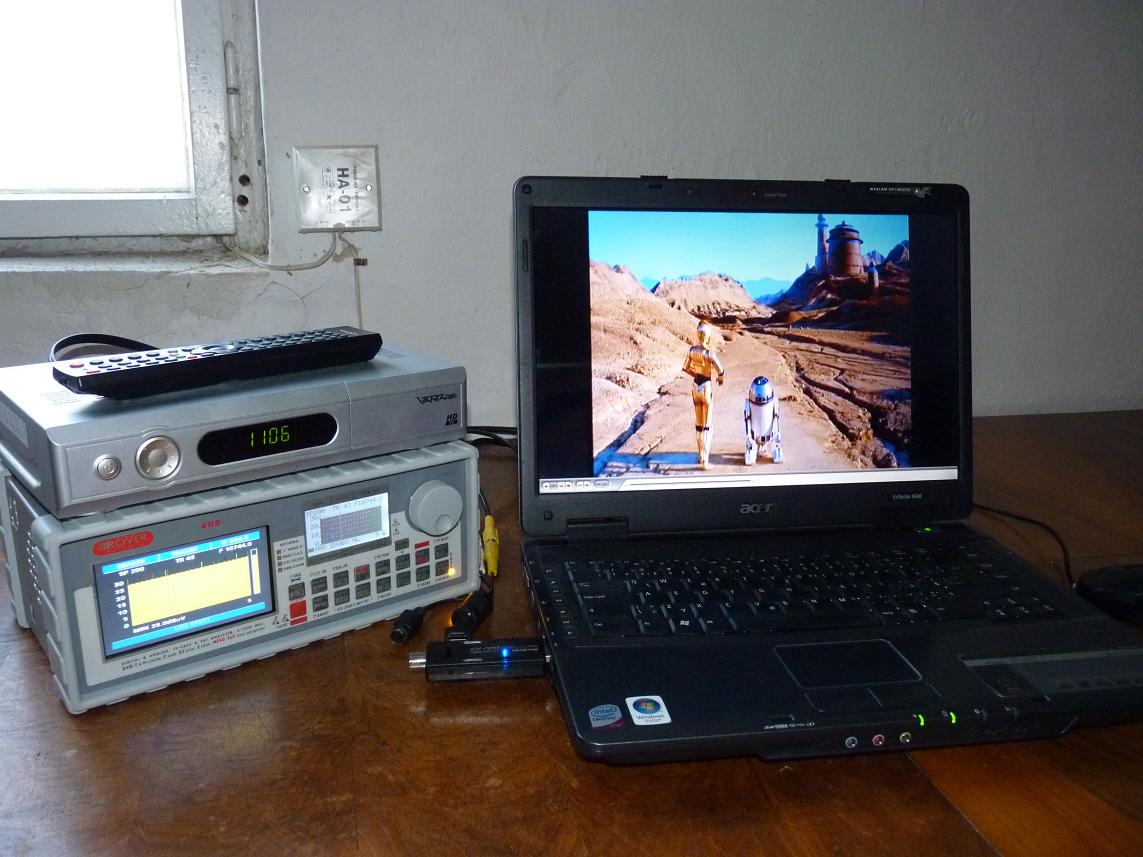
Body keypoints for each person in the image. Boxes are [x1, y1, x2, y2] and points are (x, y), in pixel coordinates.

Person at [681, 320, 725, 469]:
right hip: (706, 387)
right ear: (708, 335)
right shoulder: (710, 353)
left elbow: (685, 368)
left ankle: (700, 455)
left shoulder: (692, 350)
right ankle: (705, 460)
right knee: (707, 424)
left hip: (695, 386)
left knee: (698, 423)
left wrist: (695, 373)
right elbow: (721, 371)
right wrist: (720, 379)